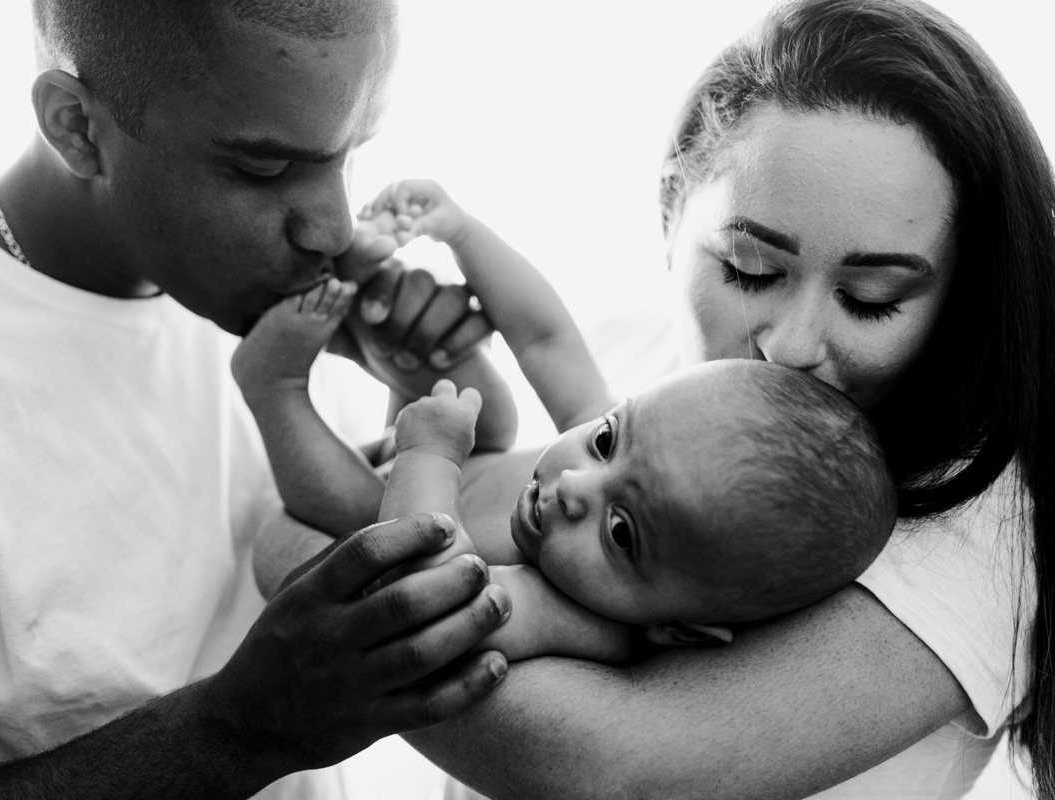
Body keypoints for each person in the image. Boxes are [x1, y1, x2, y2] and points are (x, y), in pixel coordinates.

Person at [252, 0, 1055, 796]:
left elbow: (597, 764)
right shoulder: (651, 377)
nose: (792, 347)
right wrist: (426, 341)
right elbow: (543, 347)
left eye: (872, 297)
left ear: (965, 299)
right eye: (750, 269)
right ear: (672, 210)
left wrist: (316, 533)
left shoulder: (977, 516)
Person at [0, 1, 517, 798]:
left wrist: (420, 397)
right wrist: (236, 729)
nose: (334, 228)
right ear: (76, 127)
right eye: (266, 170)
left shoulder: (267, 293)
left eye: (349, 153)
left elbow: (362, 535)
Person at [238, 180, 897, 655]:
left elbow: (427, 594)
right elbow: (546, 338)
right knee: (489, 412)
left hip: (402, 499)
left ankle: (274, 384)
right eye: (606, 440)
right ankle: (389, 324)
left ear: (678, 630)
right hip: (466, 456)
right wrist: (461, 231)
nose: (577, 485)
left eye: (621, 532)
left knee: (357, 511)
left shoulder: (574, 618)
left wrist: (429, 455)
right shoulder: (631, 457)